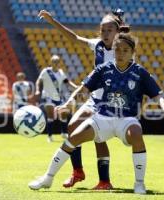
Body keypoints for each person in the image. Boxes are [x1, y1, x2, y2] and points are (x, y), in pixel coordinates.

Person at [28, 33, 164, 194]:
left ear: (133, 52)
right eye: (117, 50)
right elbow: (83, 88)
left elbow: (158, 95)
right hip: (103, 118)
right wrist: (68, 103)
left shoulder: (140, 72)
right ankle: (48, 178)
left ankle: (139, 183)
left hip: (127, 119)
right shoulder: (103, 69)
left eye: (125, 50)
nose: (120, 54)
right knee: (74, 137)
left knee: (136, 132)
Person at [38, 9, 130, 189]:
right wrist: (52, 20)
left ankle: (103, 181)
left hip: (110, 102)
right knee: (74, 127)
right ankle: (79, 172)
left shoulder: (124, 49)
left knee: (97, 137)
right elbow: (75, 38)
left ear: (117, 32)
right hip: (95, 98)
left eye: (109, 30)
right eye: (102, 30)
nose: (104, 33)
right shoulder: (97, 45)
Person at [35, 54, 77, 142]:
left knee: (64, 113)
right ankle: (50, 136)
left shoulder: (61, 72)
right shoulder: (46, 71)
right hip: (47, 96)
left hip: (58, 97)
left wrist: (76, 87)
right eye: (54, 61)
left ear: (59, 63)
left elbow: (67, 81)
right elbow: (39, 80)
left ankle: (64, 132)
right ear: (51, 62)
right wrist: (37, 90)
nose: (56, 63)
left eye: (57, 61)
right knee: (50, 115)